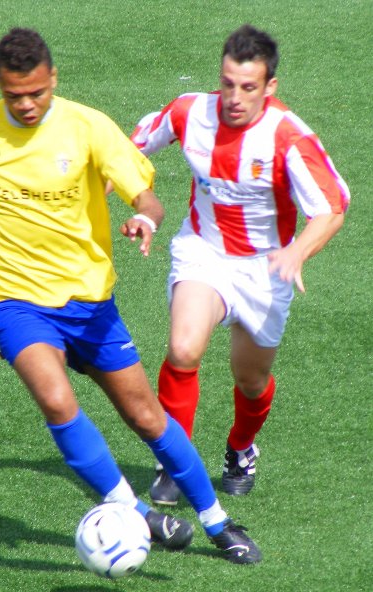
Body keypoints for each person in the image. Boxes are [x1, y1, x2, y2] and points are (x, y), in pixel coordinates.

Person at [0, 28, 262, 564]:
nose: (26, 104)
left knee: (147, 417)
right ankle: (135, 512)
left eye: (36, 92)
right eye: (14, 95)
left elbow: (148, 199)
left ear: (53, 79)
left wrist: (144, 219)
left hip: (90, 306)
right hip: (14, 301)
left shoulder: (88, 127)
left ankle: (217, 522)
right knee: (57, 401)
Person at [130, 24, 350, 505]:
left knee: (251, 381)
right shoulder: (190, 111)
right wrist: (130, 197)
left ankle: (241, 447)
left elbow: (333, 206)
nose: (234, 97)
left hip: (264, 269)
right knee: (183, 348)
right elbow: (126, 151)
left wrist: (296, 252)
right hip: (203, 251)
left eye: (248, 87)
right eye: (227, 83)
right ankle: (175, 463)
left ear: (270, 86)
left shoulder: (288, 136)